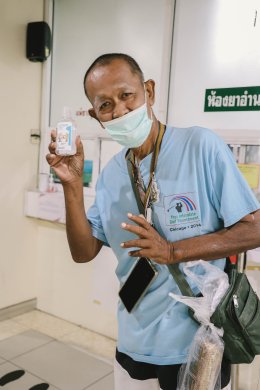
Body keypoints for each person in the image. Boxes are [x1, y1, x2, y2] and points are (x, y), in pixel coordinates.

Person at [46, 53, 260, 390]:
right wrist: (71, 185)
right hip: (135, 338)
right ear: (95, 116)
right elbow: (83, 251)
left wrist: (173, 251)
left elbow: (255, 227)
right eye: (105, 105)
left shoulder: (200, 146)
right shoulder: (111, 175)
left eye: (126, 95)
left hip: (197, 341)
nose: (118, 110)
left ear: (149, 90)